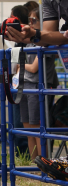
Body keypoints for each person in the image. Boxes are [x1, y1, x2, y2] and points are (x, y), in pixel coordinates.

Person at [20, 8, 58, 159]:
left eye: (34, 20)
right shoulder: (30, 41)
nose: (30, 23)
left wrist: (19, 65)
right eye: (29, 20)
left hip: (38, 86)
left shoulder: (45, 40)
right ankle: (35, 164)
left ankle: (44, 165)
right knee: (28, 129)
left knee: (37, 129)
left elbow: (34, 68)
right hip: (26, 85)